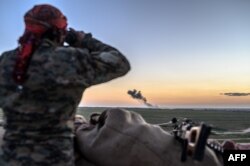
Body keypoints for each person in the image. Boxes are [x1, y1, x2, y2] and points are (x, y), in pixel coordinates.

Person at [0, 4, 130, 166]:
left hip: (9, 160)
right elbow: (120, 62)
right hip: (55, 159)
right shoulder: (71, 60)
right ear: (59, 32)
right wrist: (83, 41)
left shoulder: (5, 61)